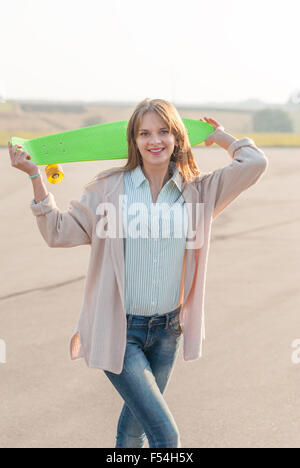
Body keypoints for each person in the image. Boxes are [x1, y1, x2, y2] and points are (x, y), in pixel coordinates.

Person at [8, 98, 268, 448]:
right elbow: (58, 231)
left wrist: (220, 137)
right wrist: (35, 177)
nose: (154, 140)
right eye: (144, 133)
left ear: (177, 137)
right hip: (120, 330)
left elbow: (254, 162)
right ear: (134, 140)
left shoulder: (198, 190)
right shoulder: (109, 190)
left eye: (163, 131)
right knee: (166, 435)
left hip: (167, 332)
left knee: (134, 431)